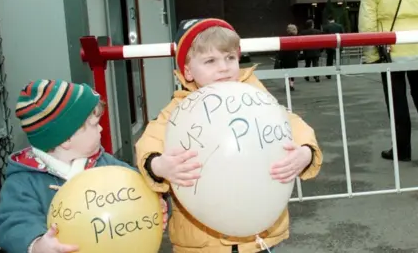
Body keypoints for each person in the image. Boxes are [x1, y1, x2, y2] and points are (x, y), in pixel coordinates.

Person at [135, 18, 323, 253]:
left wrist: (305, 152)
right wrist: (160, 165)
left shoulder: (254, 95)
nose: (223, 67)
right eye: (210, 61)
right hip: (201, 243)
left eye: (230, 58)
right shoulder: (179, 109)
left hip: (258, 237)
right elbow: (149, 142)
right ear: (188, 71)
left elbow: (291, 123)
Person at [0, 80, 169, 253]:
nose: (101, 129)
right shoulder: (25, 180)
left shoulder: (103, 162)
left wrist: (155, 199)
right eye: (94, 125)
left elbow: (136, 183)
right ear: (67, 138)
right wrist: (37, 244)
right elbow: (12, 220)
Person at [358, 0, 418, 161]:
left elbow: (367, 25)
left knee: (396, 101)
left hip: (390, 49)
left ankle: (402, 149)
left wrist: (372, 56)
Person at [276, 24, 299, 90]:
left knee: (286, 71)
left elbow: (281, 49)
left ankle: (287, 83)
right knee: (292, 71)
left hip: (285, 57)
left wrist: (280, 58)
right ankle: (291, 84)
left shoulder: (284, 37)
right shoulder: (297, 38)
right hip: (293, 56)